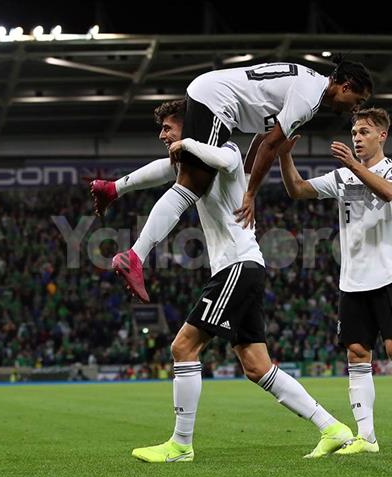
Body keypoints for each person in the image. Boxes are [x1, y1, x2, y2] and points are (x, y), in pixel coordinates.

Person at [94, 100, 355, 462]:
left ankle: (180, 445)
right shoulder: (190, 164)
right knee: (257, 367)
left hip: (238, 267)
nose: (163, 135)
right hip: (242, 269)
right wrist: (117, 187)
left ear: (190, 126)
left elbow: (227, 159)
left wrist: (187, 143)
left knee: (183, 348)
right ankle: (333, 428)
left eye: (169, 128)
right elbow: (158, 170)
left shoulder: (225, 149)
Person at [90, 57, 373, 302]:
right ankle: (135, 256)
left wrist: (248, 180)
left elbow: (263, 136)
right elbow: (270, 146)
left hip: (212, 96)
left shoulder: (309, 84)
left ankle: (113, 189)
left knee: (187, 167)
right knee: (191, 185)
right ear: (346, 86)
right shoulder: (309, 98)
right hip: (217, 103)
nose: (354, 108)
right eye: (358, 100)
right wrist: (250, 194)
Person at [277, 107, 392, 454]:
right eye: (354, 133)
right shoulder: (342, 176)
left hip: (389, 275)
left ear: (382, 136)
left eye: (364, 132)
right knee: (357, 353)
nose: (357, 138)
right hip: (352, 280)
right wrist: (285, 156)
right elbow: (298, 189)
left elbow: (389, 193)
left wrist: (352, 164)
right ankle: (367, 437)